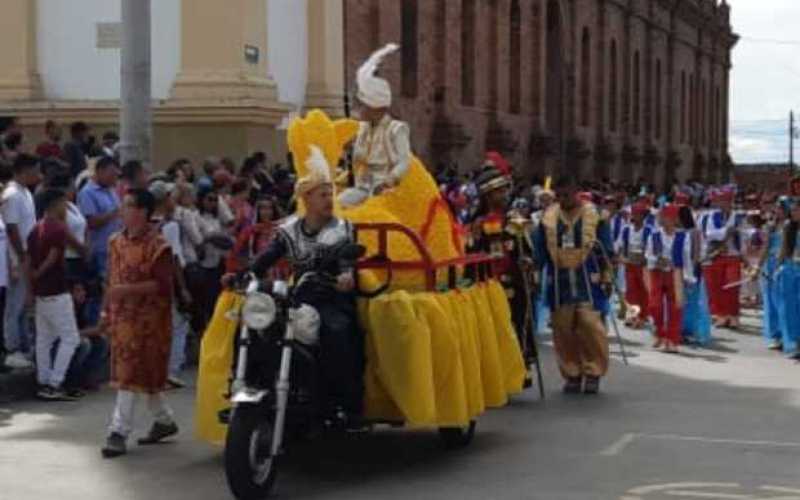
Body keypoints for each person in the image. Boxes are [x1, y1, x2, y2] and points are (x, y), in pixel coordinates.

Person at [241, 146, 364, 417]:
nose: (329, 200)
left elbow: (346, 259)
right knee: (255, 326)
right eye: (323, 195)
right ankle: (249, 387)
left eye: (330, 194)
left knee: (336, 331)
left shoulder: (341, 228)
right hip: (300, 297)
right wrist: (245, 274)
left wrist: (346, 275)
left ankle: (343, 401)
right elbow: (267, 257)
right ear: (306, 199)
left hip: (332, 298)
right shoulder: (288, 230)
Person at [101, 188, 179, 459]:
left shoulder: (159, 246)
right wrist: (106, 311)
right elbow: (110, 280)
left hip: (150, 321)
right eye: (123, 206)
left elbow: (163, 286)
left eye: (129, 206)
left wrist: (126, 291)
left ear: (144, 212)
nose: (123, 211)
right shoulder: (115, 242)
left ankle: (118, 431)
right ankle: (164, 420)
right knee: (138, 375)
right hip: (123, 319)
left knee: (130, 375)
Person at [532, 176, 614, 394]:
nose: (562, 199)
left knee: (590, 325)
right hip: (559, 281)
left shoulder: (597, 215)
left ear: (577, 191)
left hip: (588, 278)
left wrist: (607, 275)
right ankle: (572, 373)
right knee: (562, 327)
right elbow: (539, 251)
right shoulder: (547, 218)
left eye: (566, 194)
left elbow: (606, 249)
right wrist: (534, 272)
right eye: (558, 196)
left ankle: (594, 371)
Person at [469, 166, 536, 386]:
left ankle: (518, 371)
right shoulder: (476, 222)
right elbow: (469, 252)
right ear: (487, 196)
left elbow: (525, 249)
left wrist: (527, 263)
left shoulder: (514, 219)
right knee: (489, 330)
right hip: (485, 282)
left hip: (513, 282)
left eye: (504, 190)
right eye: (498, 191)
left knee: (515, 325)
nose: (503, 195)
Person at [339, 44, 411, 208]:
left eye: (363, 105)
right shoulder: (363, 129)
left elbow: (404, 162)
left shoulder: (397, 129)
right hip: (362, 189)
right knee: (337, 206)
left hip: (387, 191)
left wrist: (389, 181)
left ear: (376, 107)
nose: (360, 109)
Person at [29, 189, 83, 400]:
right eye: (64, 204)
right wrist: (39, 273)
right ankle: (54, 383)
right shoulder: (59, 229)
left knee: (44, 339)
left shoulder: (35, 229)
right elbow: (53, 257)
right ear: (55, 204)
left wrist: (34, 279)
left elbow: (30, 259)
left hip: (42, 293)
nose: (66, 209)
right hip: (57, 291)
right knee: (71, 338)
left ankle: (44, 382)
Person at [149, 180, 192, 388]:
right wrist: (182, 288)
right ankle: (170, 371)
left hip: (151, 281)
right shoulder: (170, 226)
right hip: (169, 280)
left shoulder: (148, 224)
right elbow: (173, 257)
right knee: (177, 325)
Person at [1, 154, 41, 369]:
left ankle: (24, 345)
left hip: (28, 253)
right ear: (23, 170)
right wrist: (21, 255)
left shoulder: (25, 192)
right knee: (15, 304)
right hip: (18, 255)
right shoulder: (12, 194)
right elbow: (11, 227)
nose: (37, 175)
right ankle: (12, 348)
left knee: (25, 303)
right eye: (34, 171)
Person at [645, 204, 694, 354]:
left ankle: (672, 340)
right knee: (655, 305)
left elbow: (686, 258)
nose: (663, 220)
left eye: (666, 218)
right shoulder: (654, 236)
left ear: (674, 220)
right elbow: (648, 255)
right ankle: (659, 334)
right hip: (658, 273)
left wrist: (689, 277)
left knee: (675, 307)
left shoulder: (683, 237)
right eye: (662, 217)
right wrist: (656, 261)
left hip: (676, 274)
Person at [703, 189, 746, 329]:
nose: (724, 204)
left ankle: (733, 315)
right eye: (721, 201)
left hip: (733, 256)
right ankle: (721, 315)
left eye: (727, 201)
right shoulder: (712, 216)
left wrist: (743, 254)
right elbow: (709, 234)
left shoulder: (739, 217)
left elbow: (744, 235)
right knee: (716, 286)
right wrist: (726, 232)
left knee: (732, 286)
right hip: (717, 255)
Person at [77, 156, 122, 280]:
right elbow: (91, 223)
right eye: (111, 174)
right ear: (100, 171)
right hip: (100, 250)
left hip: (116, 248)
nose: (114, 179)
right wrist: (113, 214)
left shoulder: (111, 190)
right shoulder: (87, 193)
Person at [678, 204, 712, 346]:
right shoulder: (676, 231)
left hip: (692, 270)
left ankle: (689, 330)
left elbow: (696, 254)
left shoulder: (695, 232)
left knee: (692, 302)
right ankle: (678, 329)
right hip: (678, 270)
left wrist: (690, 271)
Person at [618, 203, 652, 329]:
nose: (635, 216)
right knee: (631, 291)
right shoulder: (626, 229)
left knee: (644, 291)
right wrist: (621, 257)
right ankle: (632, 316)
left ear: (643, 216)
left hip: (644, 264)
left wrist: (646, 259)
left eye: (638, 214)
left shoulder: (649, 230)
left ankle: (643, 316)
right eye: (634, 214)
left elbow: (652, 247)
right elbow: (621, 246)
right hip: (630, 263)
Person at [760, 198, 788, 350]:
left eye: (781, 208)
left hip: (785, 265)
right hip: (769, 266)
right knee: (770, 301)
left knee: (784, 301)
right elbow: (764, 248)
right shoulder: (770, 227)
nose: (778, 210)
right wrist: (758, 267)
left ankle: (788, 335)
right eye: (776, 207)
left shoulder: (791, 227)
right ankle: (776, 335)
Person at [778, 200, 800, 360]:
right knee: (791, 309)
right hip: (790, 270)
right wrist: (778, 267)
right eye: (793, 210)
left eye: (797, 210)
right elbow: (784, 249)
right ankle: (797, 344)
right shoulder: (788, 227)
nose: (794, 213)